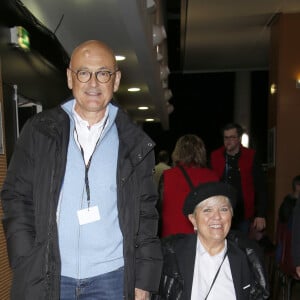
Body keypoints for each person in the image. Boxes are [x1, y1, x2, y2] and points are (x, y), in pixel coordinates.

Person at [1, 40, 162, 300]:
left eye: (103, 73)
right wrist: (25, 257)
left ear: (116, 79)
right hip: (49, 274)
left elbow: (146, 215)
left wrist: (144, 280)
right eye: (84, 73)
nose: (93, 83)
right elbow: (16, 196)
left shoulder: (134, 143)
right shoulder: (39, 131)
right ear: (69, 77)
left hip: (112, 278)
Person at [152, 181, 269, 300]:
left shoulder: (247, 258)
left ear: (231, 216)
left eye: (223, 209)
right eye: (207, 210)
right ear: (193, 220)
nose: (217, 217)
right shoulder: (171, 257)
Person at [210, 123, 267, 234]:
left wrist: (261, 214)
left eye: (232, 137)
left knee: (242, 248)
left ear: (239, 138)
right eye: (226, 137)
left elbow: (261, 187)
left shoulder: (250, 156)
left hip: (243, 214)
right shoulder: (215, 156)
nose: (228, 141)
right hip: (220, 213)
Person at [160, 134, 218, 237]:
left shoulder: (167, 176)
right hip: (203, 240)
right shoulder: (213, 176)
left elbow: (158, 208)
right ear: (201, 151)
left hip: (172, 240)